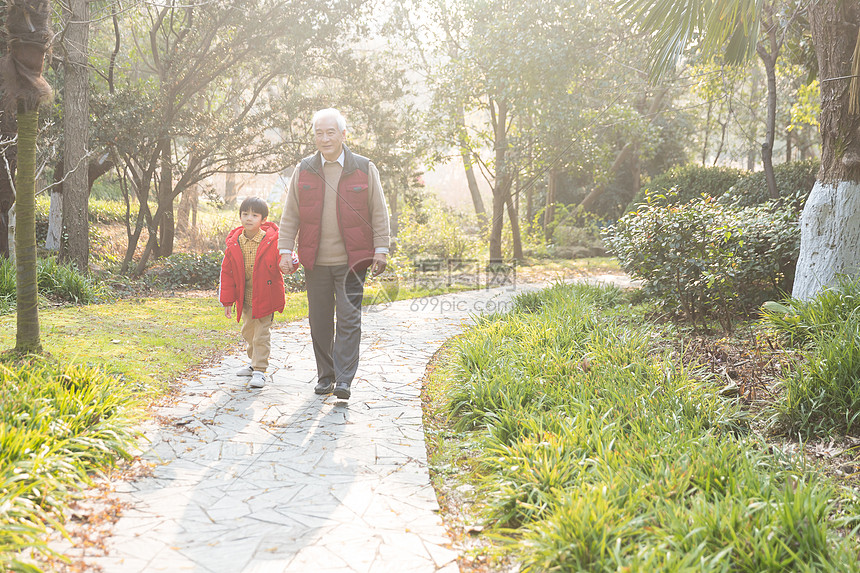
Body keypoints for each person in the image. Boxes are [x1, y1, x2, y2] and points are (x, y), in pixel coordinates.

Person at [278, 108, 390, 400]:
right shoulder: (304, 169)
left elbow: (378, 210)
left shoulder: (364, 168)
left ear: (343, 134)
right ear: (314, 136)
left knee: (350, 319)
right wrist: (284, 250)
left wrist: (381, 249)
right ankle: (325, 376)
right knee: (320, 320)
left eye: (330, 132)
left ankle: (343, 380)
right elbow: (290, 214)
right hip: (316, 260)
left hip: (354, 261)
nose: (324, 138)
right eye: (319, 132)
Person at [219, 197, 286, 388]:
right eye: (245, 214)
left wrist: (290, 261)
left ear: (263, 219)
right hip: (246, 298)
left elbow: (284, 260)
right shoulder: (234, 243)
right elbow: (227, 273)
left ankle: (259, 370)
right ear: (240, 216)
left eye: (254, 215)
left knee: (261, 335)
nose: (249, 218)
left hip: (267, 296)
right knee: (248, 333)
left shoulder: (272, 241)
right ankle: (253, 363)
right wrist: (227, 301)